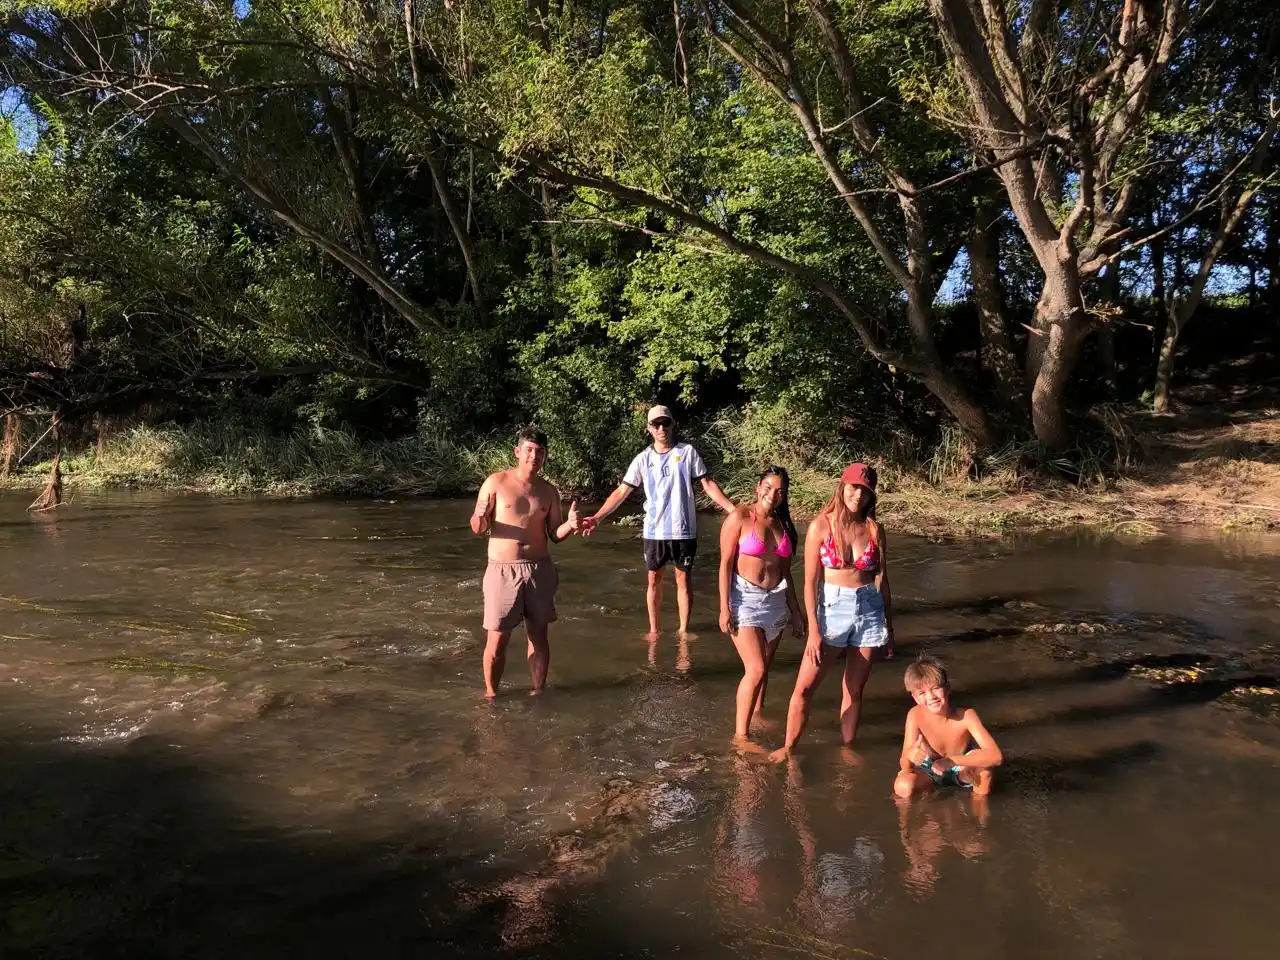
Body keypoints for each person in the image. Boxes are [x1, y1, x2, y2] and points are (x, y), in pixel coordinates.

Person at [770, 463, 894, 762]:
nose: (858, 495)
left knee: (854, 688)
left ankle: (848, 749)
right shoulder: (820, 526)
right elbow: (810, 582)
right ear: (842, 487)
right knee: (804, 688)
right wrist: (814, 629)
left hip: (870, 611)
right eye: (854, 488)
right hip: (831, 611)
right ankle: (788, 748)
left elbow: (882, 581)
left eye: (865, 491)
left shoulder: (874, 530)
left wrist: (890, 629)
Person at [582, 405, 735, 635]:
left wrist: (733, 510)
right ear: (649, 429)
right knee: (654, 578)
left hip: (683, 529)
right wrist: (598, 517)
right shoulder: (643, 459)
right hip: (654, 531)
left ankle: (684, 630)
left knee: (683, 578)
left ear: (672, 425)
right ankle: (654, 631)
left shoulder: (687, 453)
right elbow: (622, 491)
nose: (661, 428)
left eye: (665, 423)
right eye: (656, 424)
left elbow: (707, 484)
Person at [470, 426, 582, 697]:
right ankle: (491, 695)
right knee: (497, 638)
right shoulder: (495, 482)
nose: (535, 456)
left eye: (540, 451)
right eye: (529, 450)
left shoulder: (549, 492)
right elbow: (477, 526)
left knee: (539, 636)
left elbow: (554, 534)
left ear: (545, 456)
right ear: (518, 452)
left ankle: (538, 692)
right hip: (502, 571)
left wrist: (570, 525)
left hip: (538, 569)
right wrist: (482, 517)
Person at [718, 466, 804, 741]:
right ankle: (740, 738)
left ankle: (757, 715)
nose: (773, 494)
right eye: (768, 487)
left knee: (764, 667)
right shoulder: (739, 517)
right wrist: (724, 607)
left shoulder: (784, 526)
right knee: (755, 668)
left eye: (779, 490)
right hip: (744, 599)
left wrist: (797, 612)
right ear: (758, 487)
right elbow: (725, 565)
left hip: (776, 602)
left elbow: (787, 573)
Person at [893, 656, 1002, 797]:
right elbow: (905, 764)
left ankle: (979, 813)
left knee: (985, 772)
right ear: (915, 698)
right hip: (929, 768)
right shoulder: (915, 715)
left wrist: (951, 761)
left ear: (947, 688)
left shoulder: (965, 715)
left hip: (961, 768)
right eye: (922, 693)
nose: (931, 697)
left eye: (935, 688)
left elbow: (996, 756)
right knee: (903, 785)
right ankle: (917, 814)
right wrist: (909, 756)